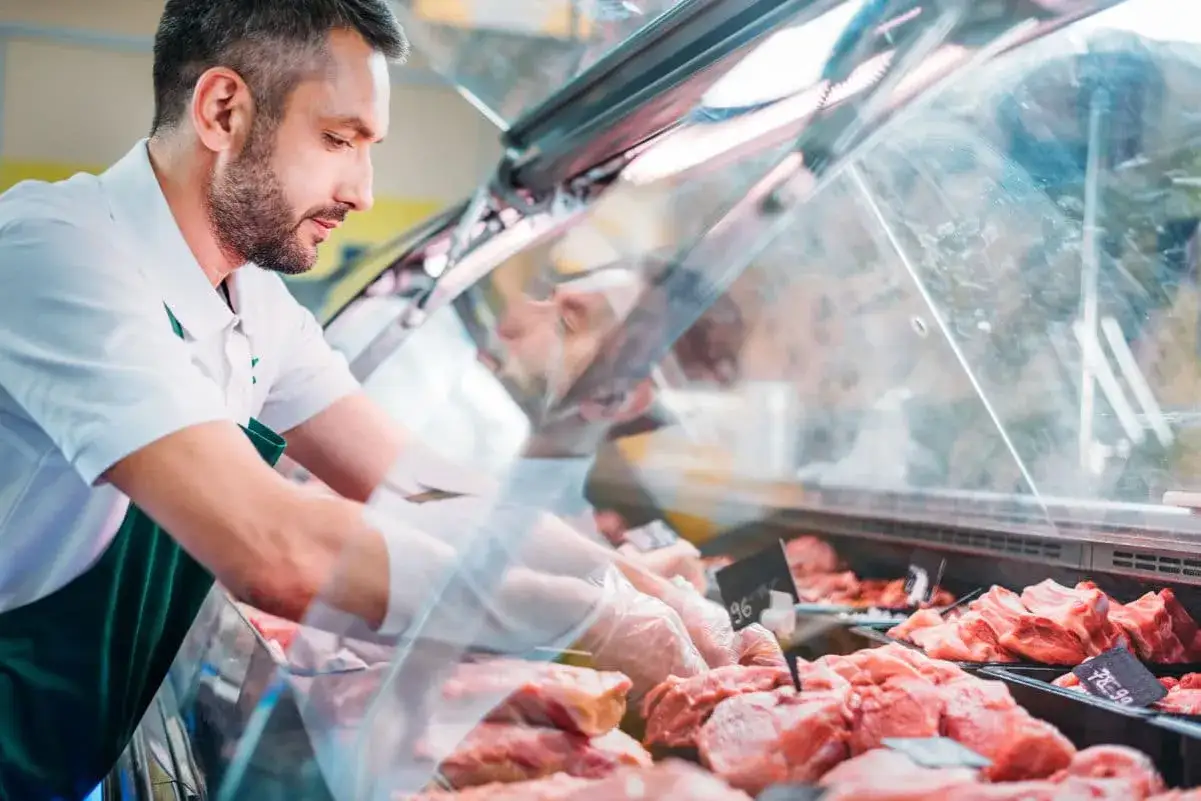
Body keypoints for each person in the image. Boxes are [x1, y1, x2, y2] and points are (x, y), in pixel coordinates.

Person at [0, 2, 773, 798]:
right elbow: (273, 546)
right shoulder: (54, 252)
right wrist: (582, 619)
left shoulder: (254, 304)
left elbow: (426, 487)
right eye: (339, 140)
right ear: (222, 110)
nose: (364, 192)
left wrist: (632, 586)